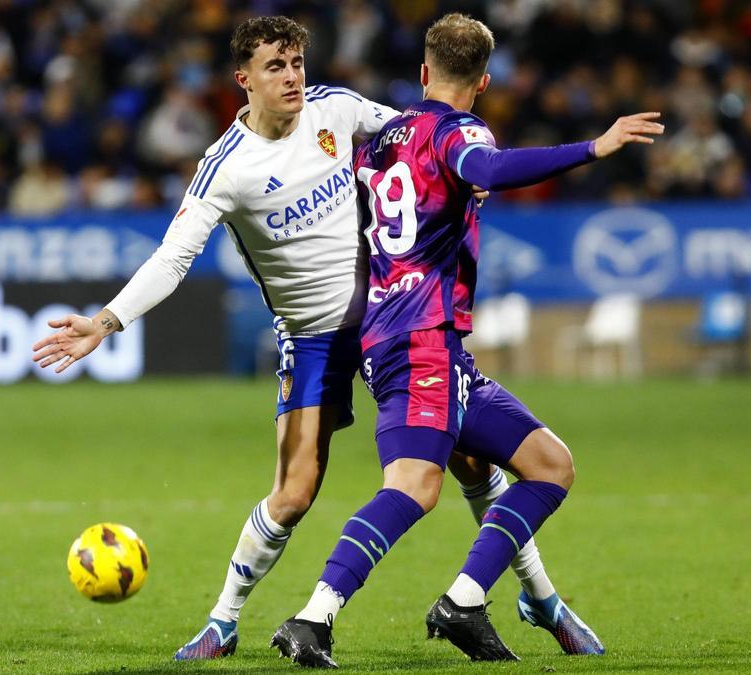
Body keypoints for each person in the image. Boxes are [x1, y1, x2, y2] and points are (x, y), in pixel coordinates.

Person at [31, 16, 585, 661]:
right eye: (275, 67)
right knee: (295, 492)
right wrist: (106, 321)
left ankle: (540, 596)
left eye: (297, 63)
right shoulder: (225, 169)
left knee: (473, 462)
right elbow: (171, 258)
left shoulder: (339, 110)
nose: (293, 77)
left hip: (391, 319)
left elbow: (412, 134)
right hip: (314, 338)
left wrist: (467, 171)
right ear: (244, 81)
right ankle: (223, 620)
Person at [270, 13, 663, 667]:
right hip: (424, 339)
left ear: (424, 73)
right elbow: (485, 164)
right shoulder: (458, 132)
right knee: (415, 485)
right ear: (483, 81)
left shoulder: (384, 138)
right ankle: (313, 616)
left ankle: (469, 598)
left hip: (401, 341)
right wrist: (591, 148)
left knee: (549, 463)